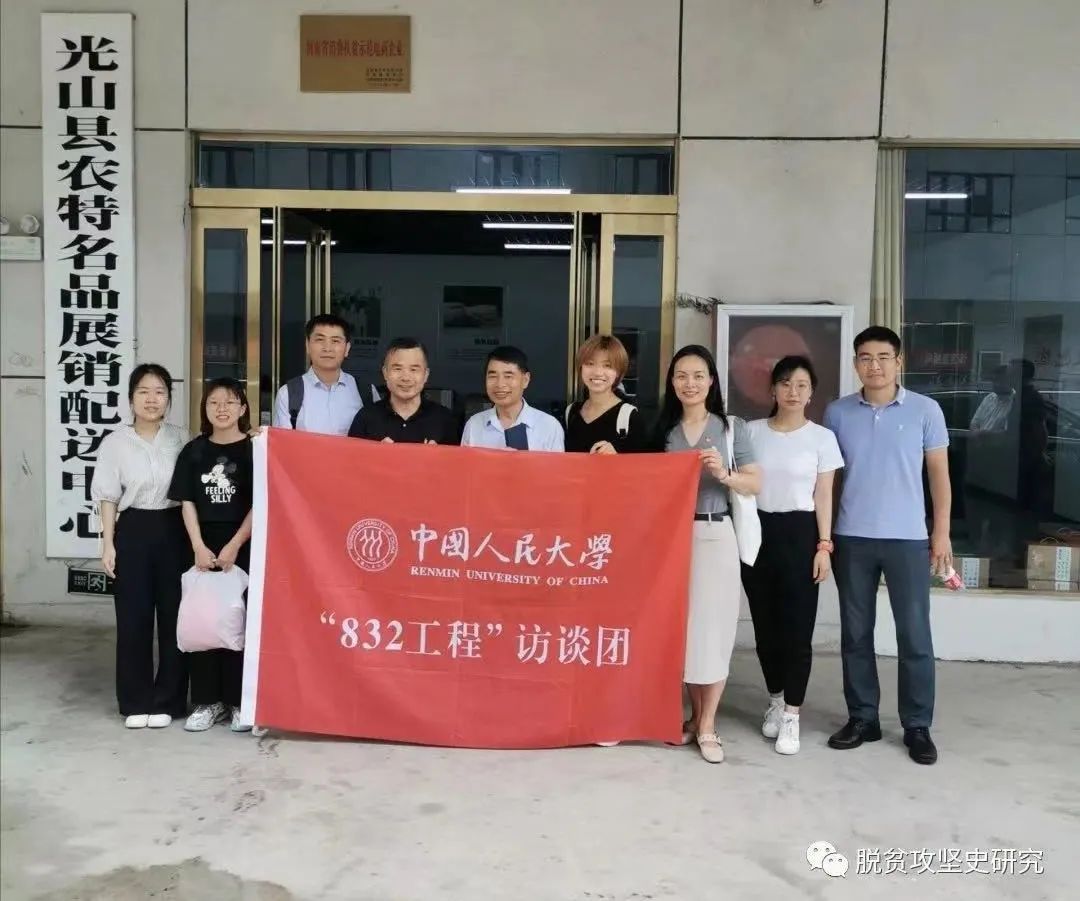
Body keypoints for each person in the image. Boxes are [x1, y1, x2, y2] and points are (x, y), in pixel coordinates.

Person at [824, 326, 951, 765]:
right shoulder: (838, 413)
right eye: (865, 357)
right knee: (855, 633)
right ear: (855, 363)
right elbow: (829, 480)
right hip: (852, 537)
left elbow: (939, 475)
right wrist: (825, 537)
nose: (873, 366)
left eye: (883, 357)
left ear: (899, 361)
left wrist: (940, 532)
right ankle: (863, 717)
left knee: (914, 634)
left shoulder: (925, 410)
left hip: (908, 539)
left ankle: (917, 725)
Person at [657, 345, 761, 763]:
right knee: (685, 631)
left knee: (714, 630)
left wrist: (724, 474)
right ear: (672, 382)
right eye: (682, 376)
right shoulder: (665, 431)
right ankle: (694, 716)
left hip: (716, 534)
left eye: (698, 375)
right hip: (674, 540)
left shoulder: (731, 428)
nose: (690, 384)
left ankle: (708, 724)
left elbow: (755, 482)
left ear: (712, 381)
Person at [743, 356, 844, 756]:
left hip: (801, 534)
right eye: (785, 383)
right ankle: (774, 698)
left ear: (811, 392)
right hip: (758, 532)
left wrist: (824, 545)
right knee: (766, 629)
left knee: (798, 632)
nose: (792, 391)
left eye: (801, 385)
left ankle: (792, 714)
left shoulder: (822, 438)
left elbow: (824, 495)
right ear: (772, 389)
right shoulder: (750, 433)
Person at [91, 364, 192, 730]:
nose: (152, 399)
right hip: (132, 529)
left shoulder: (181, 438)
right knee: (133, 617)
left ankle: (169, 700)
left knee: (174, 615)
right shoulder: (115, 443)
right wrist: (108, 543)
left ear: (169, 399)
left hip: (174, 528)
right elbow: (107, 496)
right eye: (144, 392)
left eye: (160, 392)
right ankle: (135, 700)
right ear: (131, 398)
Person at [169, 378, 254, 734]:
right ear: (204, 409)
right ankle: (207, 701)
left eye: (230, 401)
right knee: (203, 622)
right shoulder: (194, 450)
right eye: (214, 402)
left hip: (244, 544)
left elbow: (261, 502)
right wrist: (198, 546)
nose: (222, 408)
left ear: (243, 408)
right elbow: (187, 501)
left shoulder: (254, 450)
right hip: (201, 544)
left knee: (238, 623)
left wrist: (235, 544)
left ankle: (237, 701)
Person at [348, 338, 459, 444]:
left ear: (426, 375)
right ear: (385, 373)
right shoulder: (366, 418)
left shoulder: (444, 420)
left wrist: (436, 455)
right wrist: (377, 453)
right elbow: (351, 456)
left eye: (414, 369)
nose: (406, 378)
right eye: (398, 369)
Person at [272, 313, 363, 435]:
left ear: (347, 348)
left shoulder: (365, 392)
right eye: (320, 340)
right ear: (307, 345)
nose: (327, 348)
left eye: (335, 341)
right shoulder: (288, 394)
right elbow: (282, 442)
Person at [460, 346, 564, 451]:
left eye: (508, 376)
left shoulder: (549, 426)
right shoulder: (474, 425)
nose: (500, 384)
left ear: (525, 380)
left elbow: (557, 462)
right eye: (493, 376)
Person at [564, 334, 649, 454]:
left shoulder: (630, 417)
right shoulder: (571, 412)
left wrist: (618, 456)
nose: (598, 372)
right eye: (590, 363)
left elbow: (643, 463)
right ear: (581, 367)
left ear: (618, 372)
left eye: (607, 365)